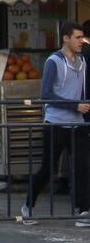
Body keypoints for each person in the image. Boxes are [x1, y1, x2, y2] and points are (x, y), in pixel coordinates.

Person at [22, 21, 90, 220]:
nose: (81, 41)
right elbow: (46, 94)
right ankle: (28, 204)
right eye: (77, 37)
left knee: (83, 167)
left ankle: (84, 210)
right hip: (56, 123)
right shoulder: (54, 61)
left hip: (78, 123)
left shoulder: (83, 61)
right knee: (47, 168)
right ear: (66, 38)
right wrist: (75, 105)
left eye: (82, 37)